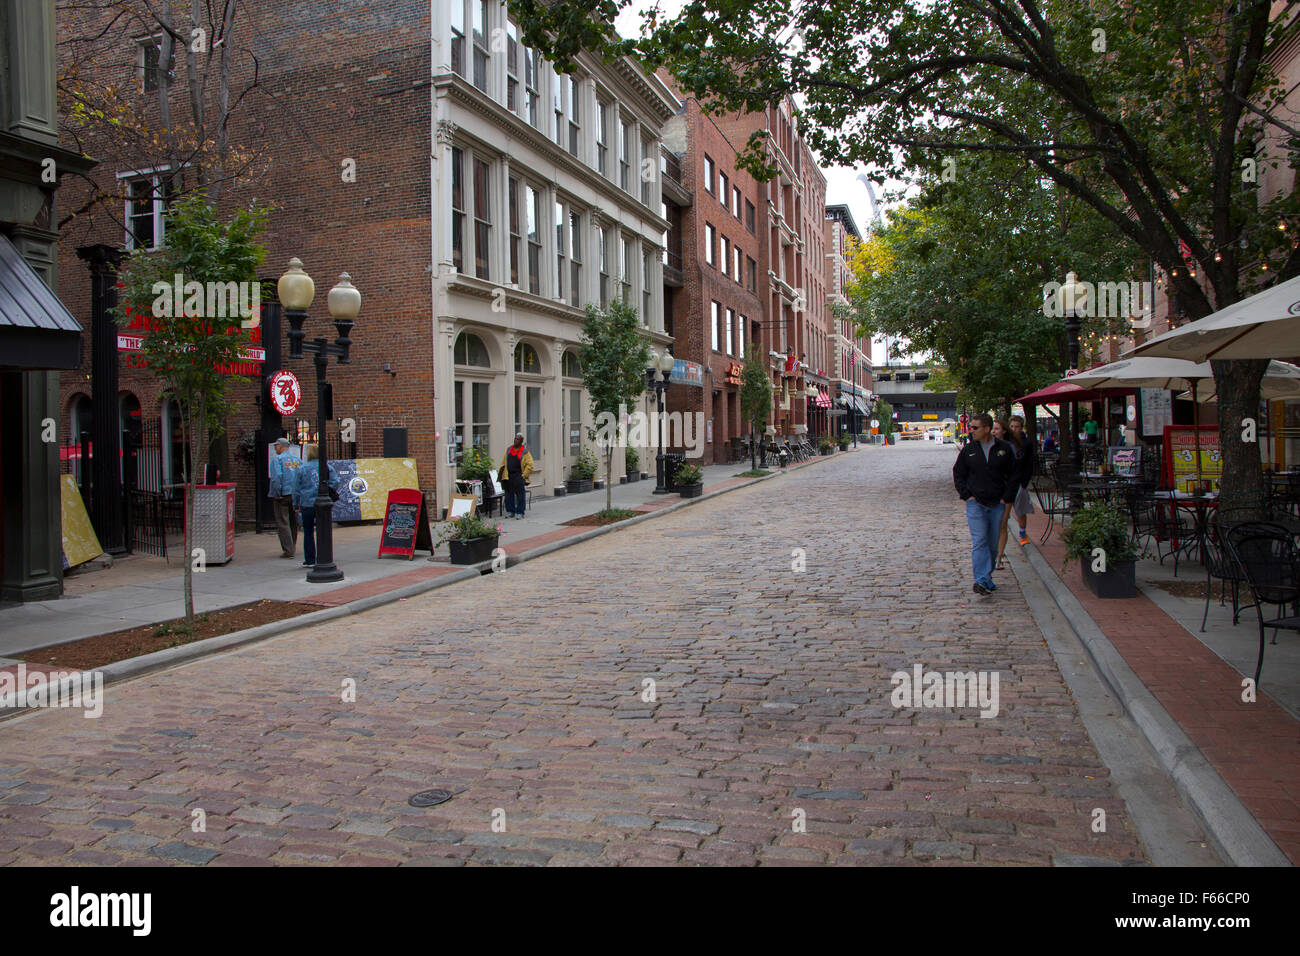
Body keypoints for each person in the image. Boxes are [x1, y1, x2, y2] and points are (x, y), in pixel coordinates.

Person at [954, 413, 1019, 596]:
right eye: (971, 427)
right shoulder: (969, 450)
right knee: (979, 540)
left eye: (975, 428)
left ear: (987, 429)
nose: (971, 431)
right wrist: (967, 495)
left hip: (997, 503)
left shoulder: (1004, 449)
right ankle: (980, 580)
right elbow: (958, 474)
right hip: (976, 503)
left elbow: (1014, 475)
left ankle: (986, 577)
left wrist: (1007, 497)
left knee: (991, 542)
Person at [996, 415, 1036, 564]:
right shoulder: (1006, 444)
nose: (1014, 429)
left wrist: (1025, 482)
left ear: (1021, 427)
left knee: (1020, 510)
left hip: (1020, 482)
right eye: (1011, 426)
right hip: (1007, 484)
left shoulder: (1026, 443)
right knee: (1003, 519)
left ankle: (1022, 532)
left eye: (1017, 427)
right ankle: (1000, 550)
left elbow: (1029, 463)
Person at [294, 443, 340, 568]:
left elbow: (296, 489)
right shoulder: (326, 467)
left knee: (308, 531)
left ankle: (309, 560)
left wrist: (295, 504)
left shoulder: (302, 468)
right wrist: (327, 490)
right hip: (323, 503)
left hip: (307, 503)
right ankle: (324, 556)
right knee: (323, 531)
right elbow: (335, 482)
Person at [268, 437, 300, 558]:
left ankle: (288, 550)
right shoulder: (297, 460)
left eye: (276, 445)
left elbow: (276, 478)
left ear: (281, 446)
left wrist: (277, 493)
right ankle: (293, 545)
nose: (275, 448)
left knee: (283, 522)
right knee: (293, 521)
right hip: (295, 494)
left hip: (283, 494)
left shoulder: (278, 459)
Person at [497, 434, 534, 518]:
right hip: (508, 475)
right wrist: (502, 474)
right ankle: (510, 511)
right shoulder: (509, 449)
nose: (515, 440)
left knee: (520, 495)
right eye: (515, 439)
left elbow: (530, 465)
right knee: (508, 495)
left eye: (518, 439)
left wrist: (524, 475)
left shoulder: (525, 452)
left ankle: (520, 512)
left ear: (521, 441)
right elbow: (504, 462)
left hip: (518, 476)